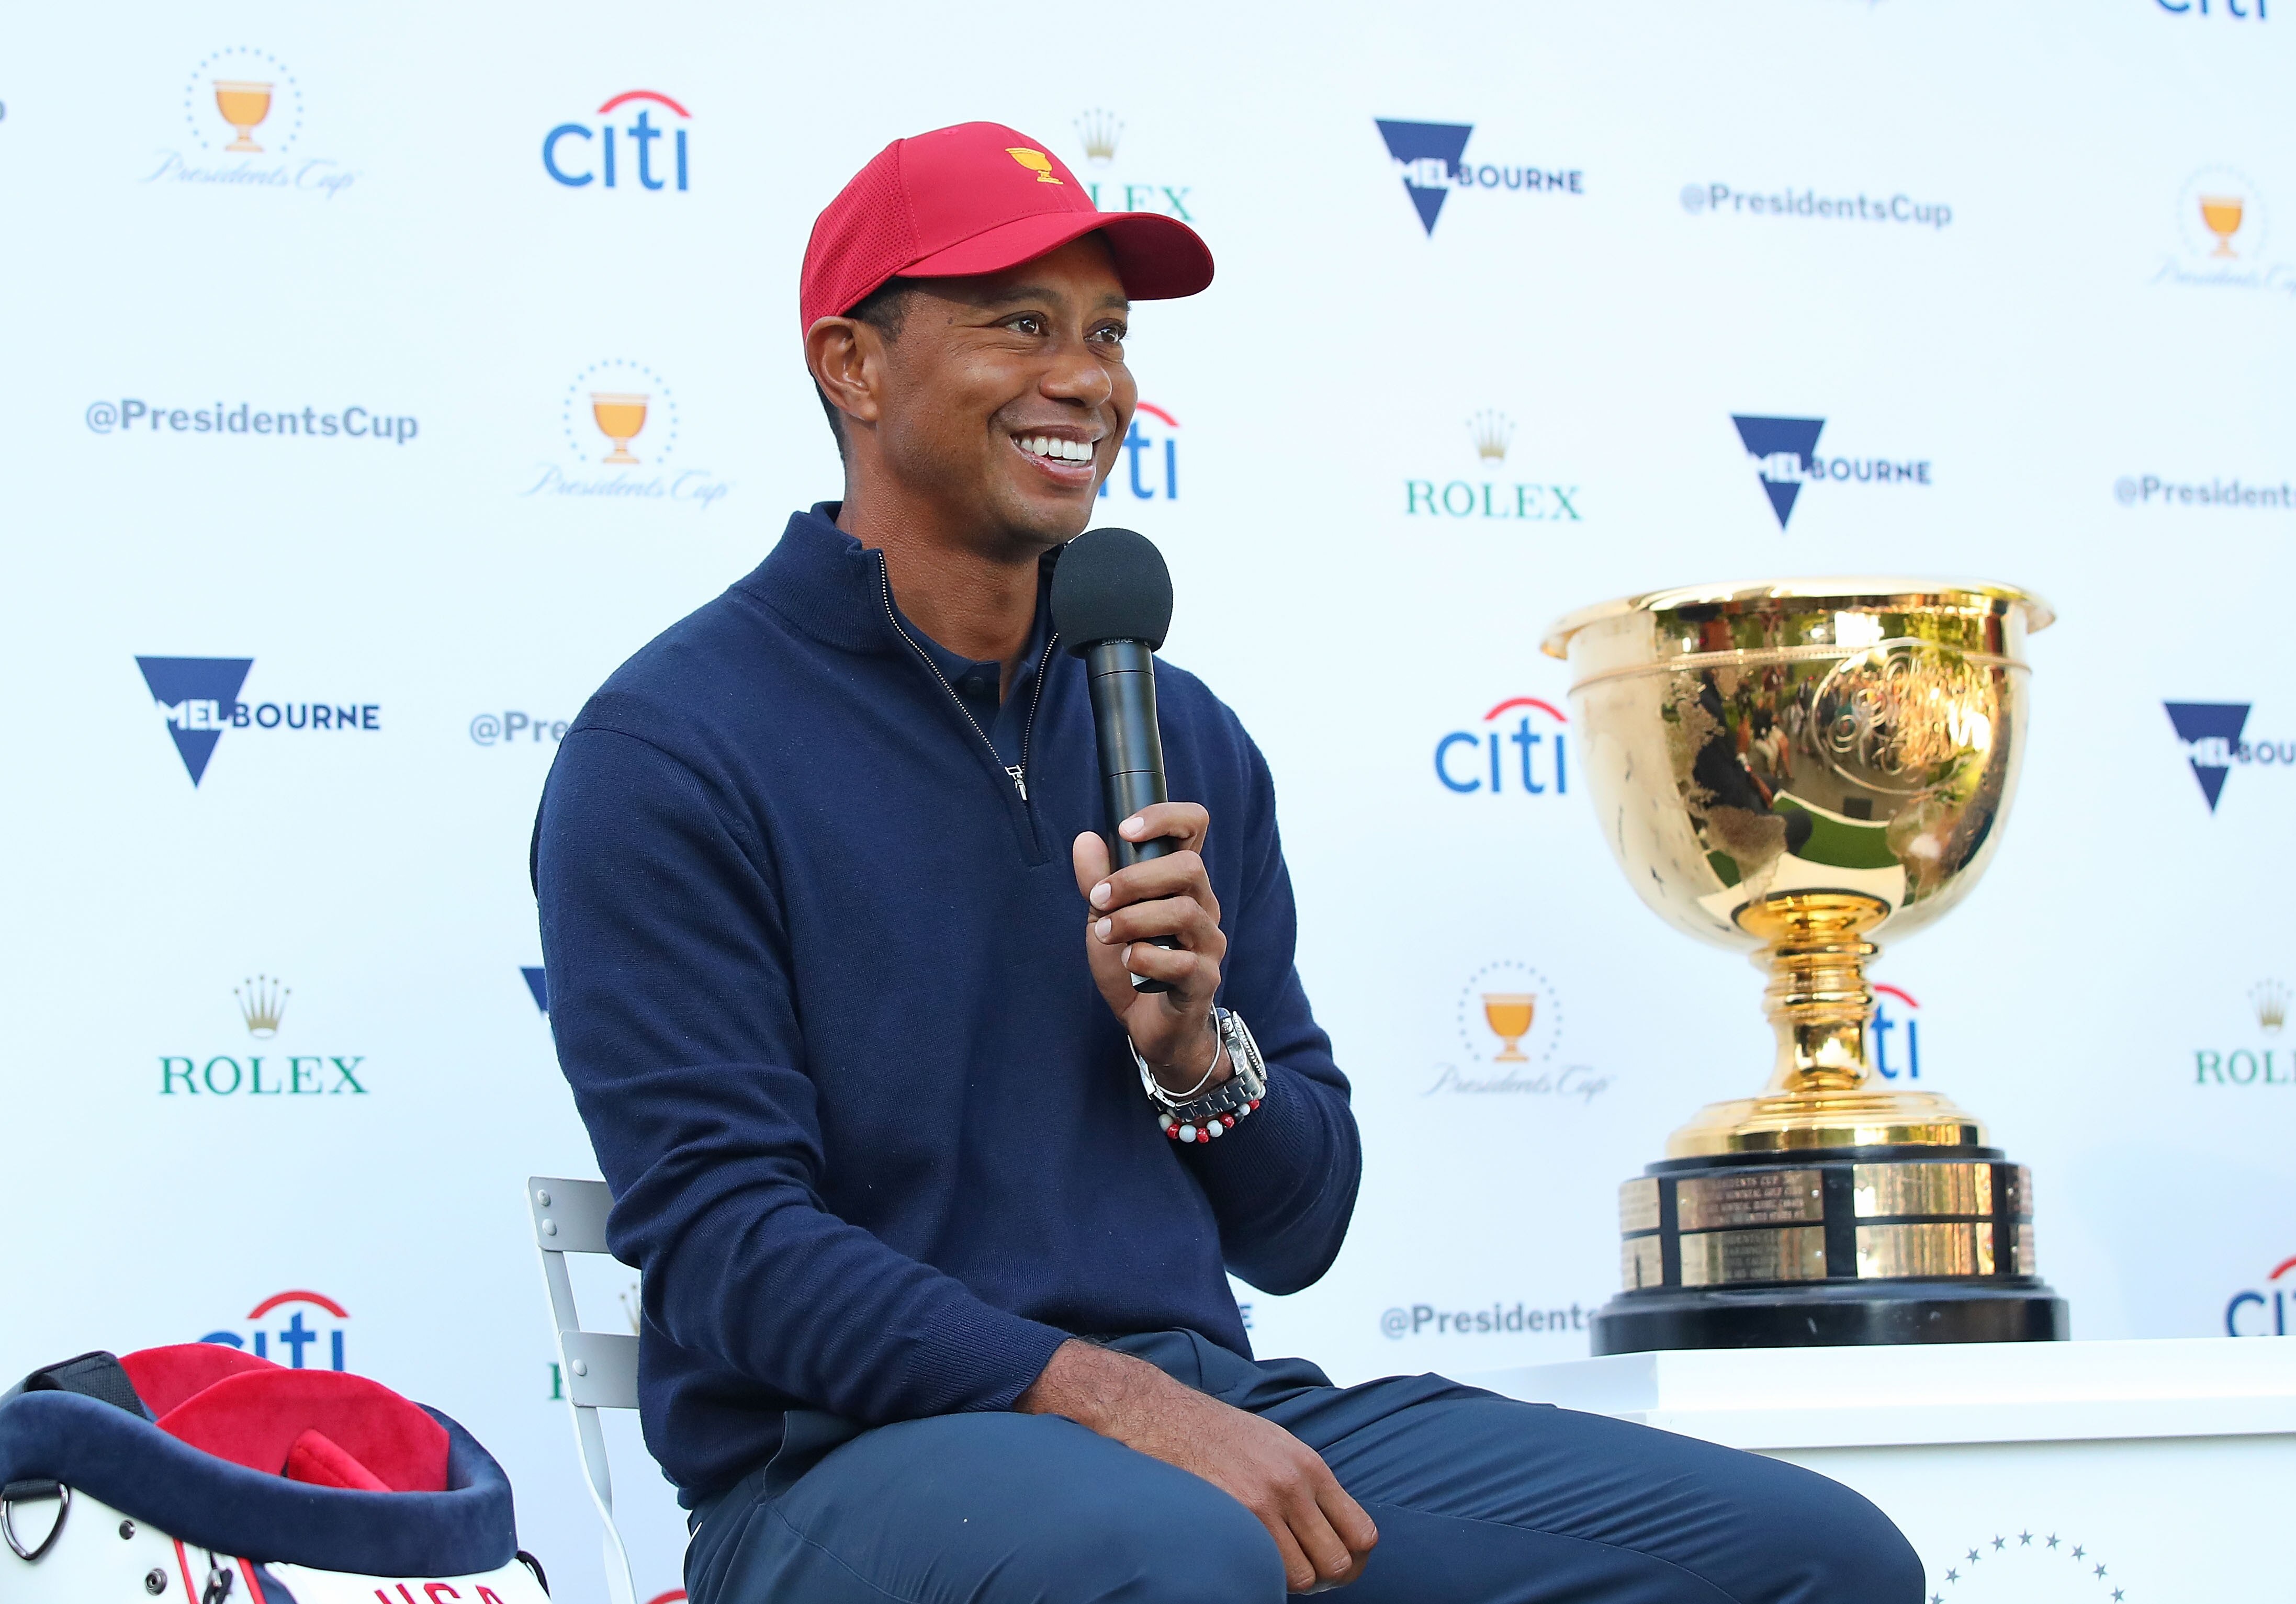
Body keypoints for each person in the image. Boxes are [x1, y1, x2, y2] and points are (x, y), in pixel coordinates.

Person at [533, 121, 1922, 1604]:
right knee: (1185, 1555)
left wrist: (1200, 1058)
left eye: (1110, 334)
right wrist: (1119, 1404)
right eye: (1021, 324)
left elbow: (1300, 1222)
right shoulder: (675, 746)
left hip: (1201, 1413)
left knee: (1817, 1559)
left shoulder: (1175, 728)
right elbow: (732, 1248)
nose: (1090, 378)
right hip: (836, 1476)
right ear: (853, 367)